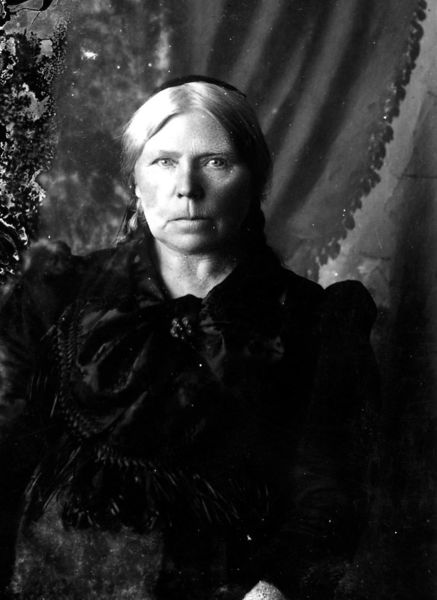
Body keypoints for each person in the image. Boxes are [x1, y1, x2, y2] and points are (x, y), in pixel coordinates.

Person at [0, 76, 379, 600]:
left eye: (216, 162)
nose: (187, 187)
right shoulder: (57, 297)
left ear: (254, 180)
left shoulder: (314, 318)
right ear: (135, 181)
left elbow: (332, 492)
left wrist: (272, 589)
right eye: (163, 161)